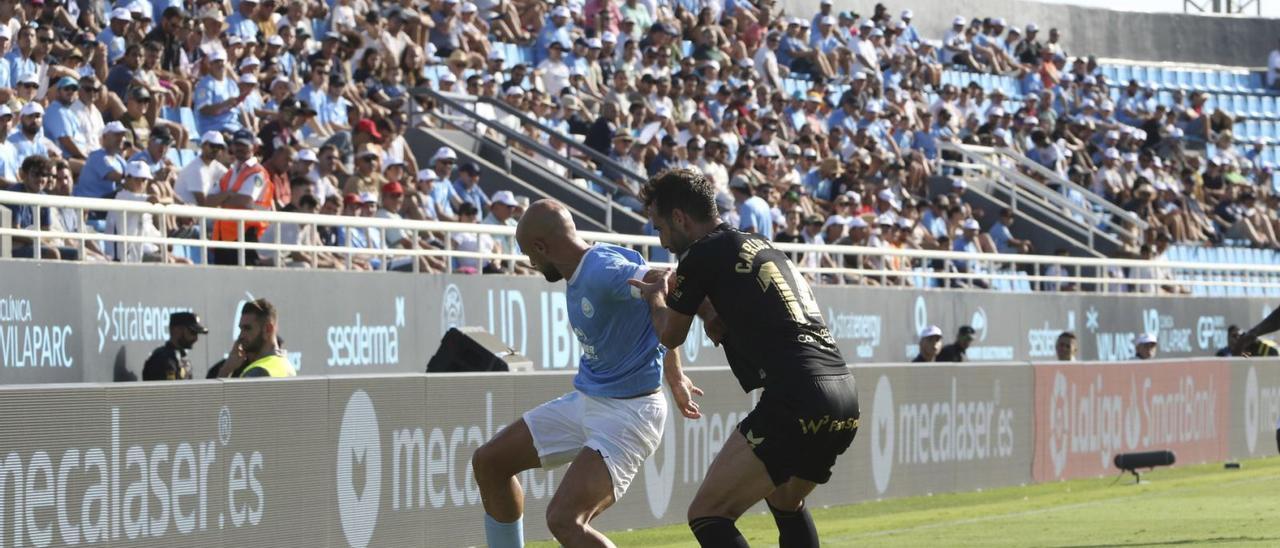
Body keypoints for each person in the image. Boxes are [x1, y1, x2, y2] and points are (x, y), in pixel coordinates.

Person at [629, 168, 858, 548]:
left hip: (796, 396)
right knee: (786, 499)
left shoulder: (700, 254)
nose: (662, 239)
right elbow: (721, 321)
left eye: (660, 227)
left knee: (708, 513)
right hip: (844, 396)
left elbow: (670, 334)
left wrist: (654, 297)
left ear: (680, 218)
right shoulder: (758, 244)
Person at [471, 199, 700, 548]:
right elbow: (651, 304)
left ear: (541, 247)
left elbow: (660, 282)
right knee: (490, 462)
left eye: (528, 254)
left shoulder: (601, 270)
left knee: (565, 520)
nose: (531, 264)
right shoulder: (591, 264)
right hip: (588, 400)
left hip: (629, 415)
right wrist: (675, 373)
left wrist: (674, 373)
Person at [217, 299, 296, 378]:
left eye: (247, 328)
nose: (241, 336)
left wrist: (225, 370)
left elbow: (218, 391)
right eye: (241, 329)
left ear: (268, 329)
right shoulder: (287, 367)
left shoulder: (257, 372)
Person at [142, 312, 209, 381]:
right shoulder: (160, 360)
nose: (196, 339)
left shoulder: (183, 359)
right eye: (192, 332)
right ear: (177, 330)